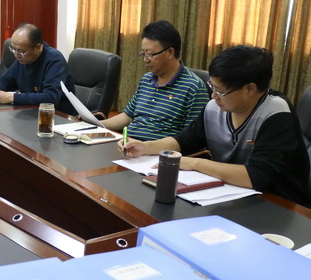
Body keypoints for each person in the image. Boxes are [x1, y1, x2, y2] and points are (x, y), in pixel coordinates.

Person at [122, 45, 310, 207]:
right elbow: (184, 140)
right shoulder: (215, 107)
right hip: (231, 194)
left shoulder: (276, 113)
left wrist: (194, 163)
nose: (213, 96)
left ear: (249, 89)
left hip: (277, 204)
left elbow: (256, 176)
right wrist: (146, 147)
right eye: (212, 87)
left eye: (220, 91)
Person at [102, 20, 210, 140]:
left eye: (150, 54)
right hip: (128, 143)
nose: (145, 59)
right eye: (143, 54)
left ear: (170, 52)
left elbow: (191, 139)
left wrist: (145, 147)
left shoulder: (194, 88)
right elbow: (127, 116)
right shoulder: (146, 79)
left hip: (156, 149)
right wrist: (97, 125)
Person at [0, 23, 76, 115]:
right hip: (30, 111)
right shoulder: (23, 59)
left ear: (38, 47)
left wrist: (13, 98)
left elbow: (50, 98)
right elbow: (6, 80)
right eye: (13, 49)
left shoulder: (54, 60)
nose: (16, 55)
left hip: (58, 117)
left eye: (21, 51)